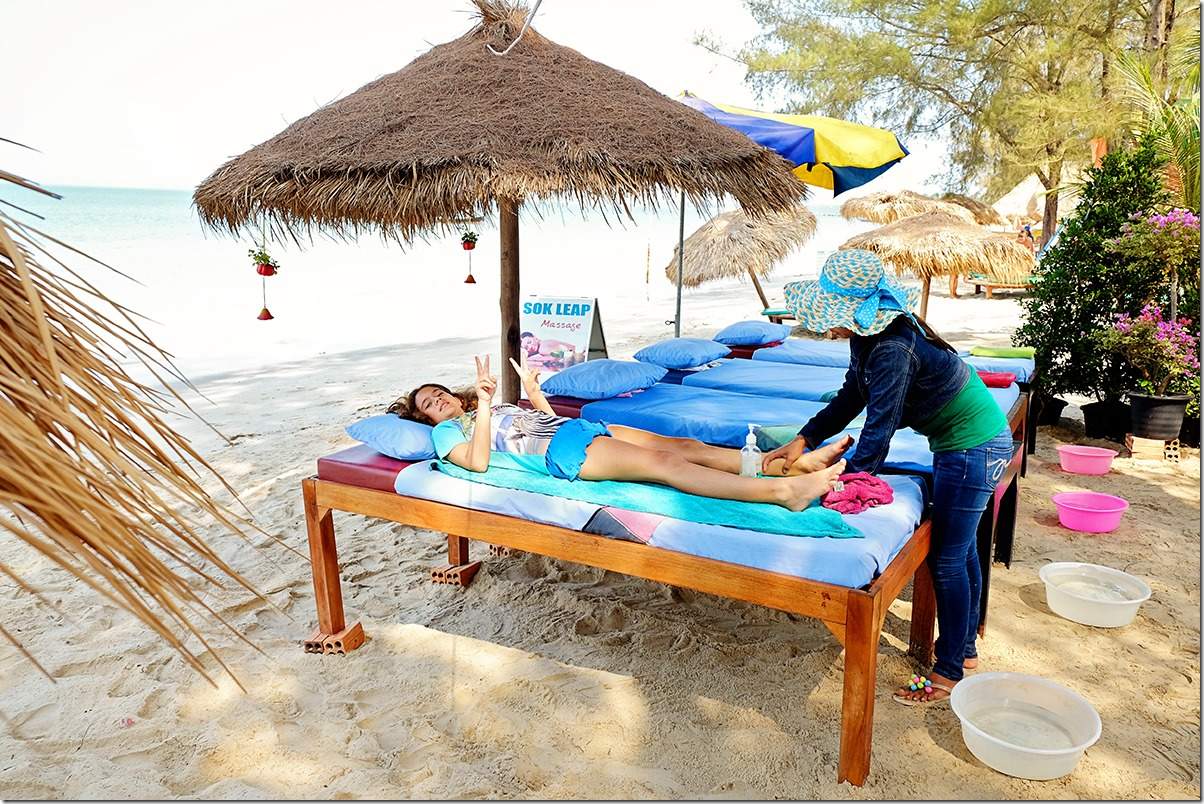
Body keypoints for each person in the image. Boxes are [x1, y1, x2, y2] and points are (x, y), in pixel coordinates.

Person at [769, 249, 1014, 705]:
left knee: (947, 559)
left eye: (831, 317)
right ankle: (965, 649)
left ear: (850, 311)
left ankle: (949, 672)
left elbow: (880, 430)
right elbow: (851, 396)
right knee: (961, 554)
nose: (826, 328)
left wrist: (839, 482)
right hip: (965, 443)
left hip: (973, 449)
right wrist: (804, 439)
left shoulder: (892, 348)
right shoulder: (872, 335)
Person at [389, 354, 850, 511]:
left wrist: (531, 393)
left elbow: (542, 419)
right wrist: (487, 405)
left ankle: (784, 465)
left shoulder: (484, 407)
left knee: (685, 445)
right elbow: (480, 462)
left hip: (572, 427)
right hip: (563, 452)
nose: (438, 400)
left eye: (439, 392)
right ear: (426, 419)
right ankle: (783, 492)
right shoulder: (446, 435)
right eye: (428, 403)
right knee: (666, 465)